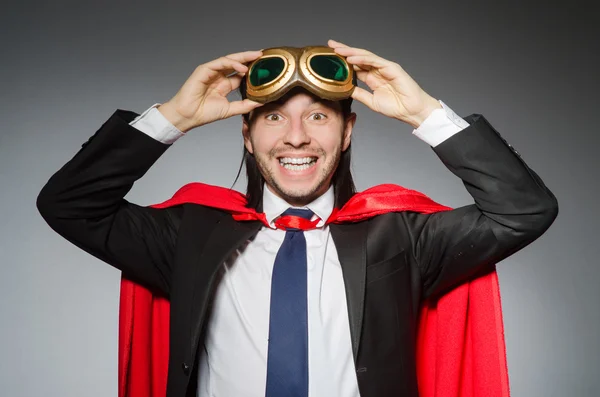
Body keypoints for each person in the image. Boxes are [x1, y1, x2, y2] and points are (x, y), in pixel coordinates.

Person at [37, 39, 558, 397]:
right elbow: (70, 204)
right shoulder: (189, 237)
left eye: (317, 116)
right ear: (247, 133)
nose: (296, 137)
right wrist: (172, 117)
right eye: (272, 117)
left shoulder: (400, 238)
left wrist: (424, 112)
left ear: (346, 131)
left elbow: (523, 210)